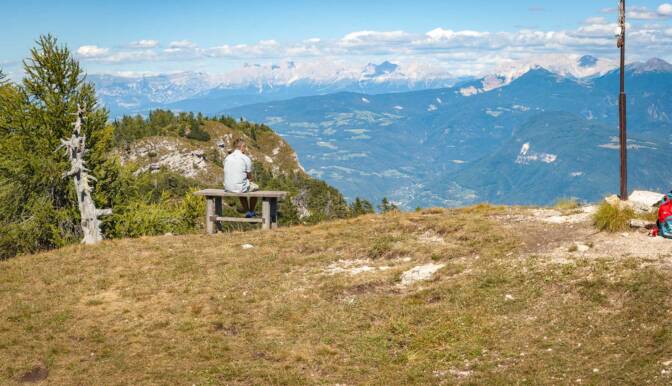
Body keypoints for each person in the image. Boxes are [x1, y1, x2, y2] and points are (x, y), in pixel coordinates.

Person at [224, 138, 259, 218]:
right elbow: (249, 175)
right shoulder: (245, 158)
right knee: (255, 188)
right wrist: (249, 180)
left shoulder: (227, 158)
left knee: (241, 187)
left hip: (227, 187)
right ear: (242, 147)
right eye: (245, 147)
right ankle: (251, 211)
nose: (245, 149)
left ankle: (247, 211)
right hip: (240, 187)